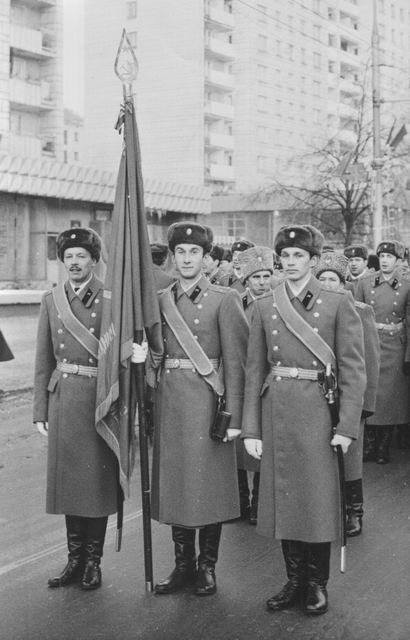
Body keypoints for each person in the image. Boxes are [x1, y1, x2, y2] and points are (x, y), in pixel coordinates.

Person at [241, 224, 366, 615]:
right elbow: (254, 371)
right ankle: (293, 580)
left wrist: (347, 426)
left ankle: (316, 583)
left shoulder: (337, 302)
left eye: (299, 256)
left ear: (313, 260)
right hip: (277, 412)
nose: (291, 262)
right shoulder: (266, 304)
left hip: (318, 413)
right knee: (284, 498)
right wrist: (251, 428)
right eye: (286, 255)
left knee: (315, 501)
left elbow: (352, 370)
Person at [148, 222, 248, 596]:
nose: (187, 259)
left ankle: (207, 566)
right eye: (181, 252)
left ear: (206, 258)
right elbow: (157, 357)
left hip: (208, 403)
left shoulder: (225, 298)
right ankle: (182, 566)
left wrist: (234, 415)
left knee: (208, 486)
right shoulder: (161, 299)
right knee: (178, 484)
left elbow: (236, 363)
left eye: (194, 252)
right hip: (172, 404)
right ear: (173, 257)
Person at [33, 227, 119, 591]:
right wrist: (40, 409)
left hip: (98, 401)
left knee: (94, 484)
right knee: (70, 484)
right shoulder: (52, 300)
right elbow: (43, 360)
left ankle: (93, 563)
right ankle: (75, 559)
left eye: (81, 256)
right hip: (64, 401)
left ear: (94, 260)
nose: (74, 262)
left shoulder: (111, 298)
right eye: (68, 257)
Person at [314, 251, 380, 537]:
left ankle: (354, 511)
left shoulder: (360, 310)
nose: (327, 284)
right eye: (323, 279)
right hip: (319, 397)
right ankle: (328, 511)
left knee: (349, 459)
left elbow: (370, 362)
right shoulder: (311, 311)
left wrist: (365, 405)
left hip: (350, 397)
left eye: (333, 279)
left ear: (343, 283)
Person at [353, 240, 410, 462]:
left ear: (398, 261)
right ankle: (369, 444)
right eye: (382, 256)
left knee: (390, 399)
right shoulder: (365, 283)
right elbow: (355, 317)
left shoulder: (406, 285)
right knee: (370, 393)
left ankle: (383, 446)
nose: (385, 260)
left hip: (395, 346)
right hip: (369, 343)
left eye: (390, 257)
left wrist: (408, 355)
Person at [235, 245, 276, 524]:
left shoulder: (277, 303)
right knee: (237, 445)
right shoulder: (235, 302)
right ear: (246, 280)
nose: (262, 283)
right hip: (239, 379)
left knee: (263, 441)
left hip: (265, 380)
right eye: (256, 277)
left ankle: (260, 502)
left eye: (266, 276)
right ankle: (241, 500)